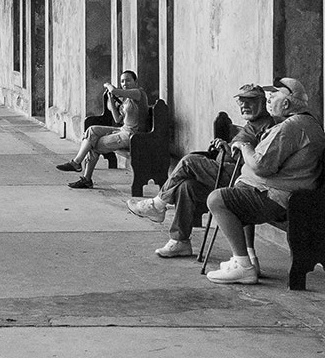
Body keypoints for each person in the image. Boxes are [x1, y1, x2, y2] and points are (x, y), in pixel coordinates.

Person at [126, 85, 274, 257]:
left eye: (250, 101)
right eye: (241, 101)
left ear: (263, 103)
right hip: (224, 173)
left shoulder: (268, 127)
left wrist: (231, 151)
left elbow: (256, 160)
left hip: (239, 181)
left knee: (189, 161)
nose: (244, 105)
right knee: (186, 187)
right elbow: (237, 152)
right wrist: (224, 147)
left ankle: (157, 205)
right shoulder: (252, 124)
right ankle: (180, 241)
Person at [204, 77, 325, 284]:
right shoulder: (308, 123)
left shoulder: (291, 127)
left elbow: (261, 165)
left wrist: (244, 147)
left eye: (273, 96)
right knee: (234, 193)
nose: (269, 100)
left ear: (286, 103)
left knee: (217, 199)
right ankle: (241, 259)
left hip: (278, 198)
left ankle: (244, 266)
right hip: (289, 193)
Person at [56, 70, 149, 189]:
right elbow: (118, 119)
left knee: (93, 145)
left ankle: (84, 176)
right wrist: (111, 101)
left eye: (128, 80)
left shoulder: (138, 93)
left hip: (132, 135)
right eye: (122, 81)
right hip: (122, 130)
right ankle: (76, 163)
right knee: (92, 130)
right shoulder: (126, 100)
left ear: (135, 82)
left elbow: (114, 90)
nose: (125, 83)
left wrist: (107, 85)